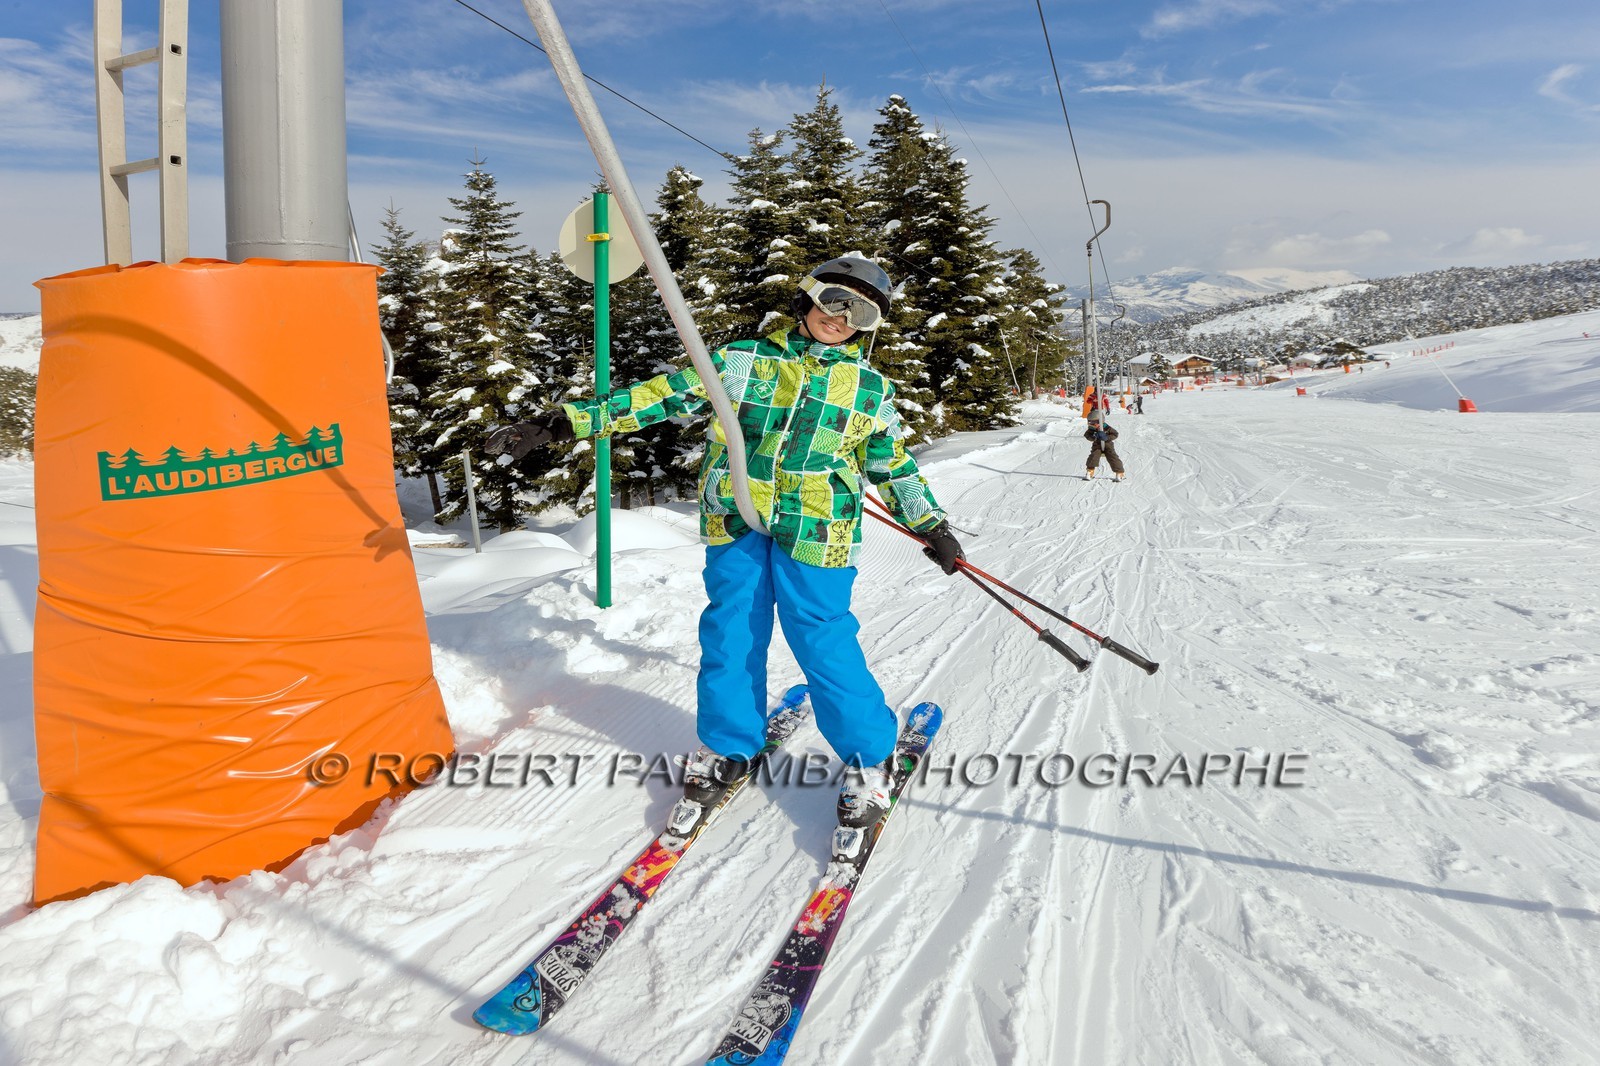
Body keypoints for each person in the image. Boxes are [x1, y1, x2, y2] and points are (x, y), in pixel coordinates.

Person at [484, 257, 963, 839]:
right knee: (731, 628)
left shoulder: (868, 389)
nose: (841, 317)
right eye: (835, 299)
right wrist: (566, 424)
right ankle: (729, 744)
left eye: (860, 311)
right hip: (737, 513)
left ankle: (868, 756)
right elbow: (659, 396)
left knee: (822, 635)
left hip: (819, 525)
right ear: (807, 298)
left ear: (870, 326)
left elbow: (891, 462)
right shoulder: (742, 361)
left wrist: (931, 524)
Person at [1084, 412, 1125, 480]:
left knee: (1113, 457)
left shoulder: (1106, 427)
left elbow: (1115, 434)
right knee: (1093, 456)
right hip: (1097, 446)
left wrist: (1107, 437)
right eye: (1092, 422)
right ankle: (1090, 470)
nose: (1095, 424)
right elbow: (1087, 435)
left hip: (1108, 445)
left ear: (1101, 421)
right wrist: (1094, 437)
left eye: (1097, 422)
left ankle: (1119, 472)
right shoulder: (1091, 429)